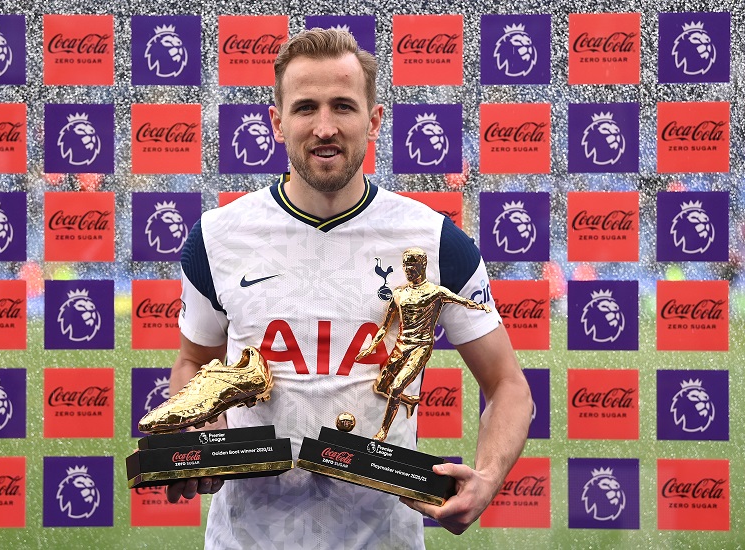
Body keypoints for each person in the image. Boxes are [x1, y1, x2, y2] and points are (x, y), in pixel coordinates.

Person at [167, 28, 532, 547]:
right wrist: (198, 433)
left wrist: (488, 478)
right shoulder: (216, 238)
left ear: (373, 120)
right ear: (277, 123)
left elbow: (508, 385)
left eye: (343, 106)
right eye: (305, 108)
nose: (325, 127)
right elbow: (194, 362)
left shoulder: (435, 240)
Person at [355, 247, 493, 442]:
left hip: (421, 346)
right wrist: (370, 348)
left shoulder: (435, 292)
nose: (408, 269)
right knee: (381, 387)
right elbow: (385, 327)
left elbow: (461, 300)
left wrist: (480, 306)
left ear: (423, 265)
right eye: (405, 265)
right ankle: (410, 401)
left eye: (412, 265)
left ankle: (383, 432)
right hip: (402, 345)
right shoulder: (399, 294)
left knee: (395, 388)